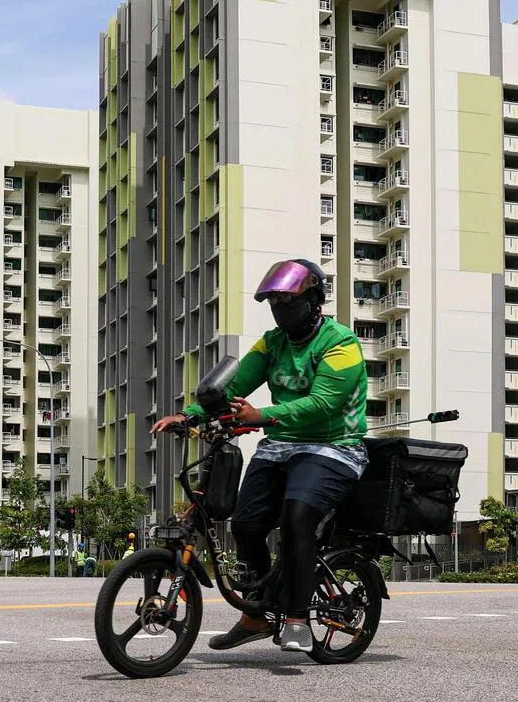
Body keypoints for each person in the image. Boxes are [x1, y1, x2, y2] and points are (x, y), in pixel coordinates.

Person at [150, 258, 367, 654]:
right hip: (281, 444)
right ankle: (257, 615)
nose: (281, 307)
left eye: (289, 299)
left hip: (335, 446)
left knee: (297, 519)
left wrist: (262, 415)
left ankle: (298, 618)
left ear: (314, 298)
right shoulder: (273, 343)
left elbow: (324, 403)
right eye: (275, 301)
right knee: (246, 525)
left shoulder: (341, 343)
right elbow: (237, 383)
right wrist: (189, 414)